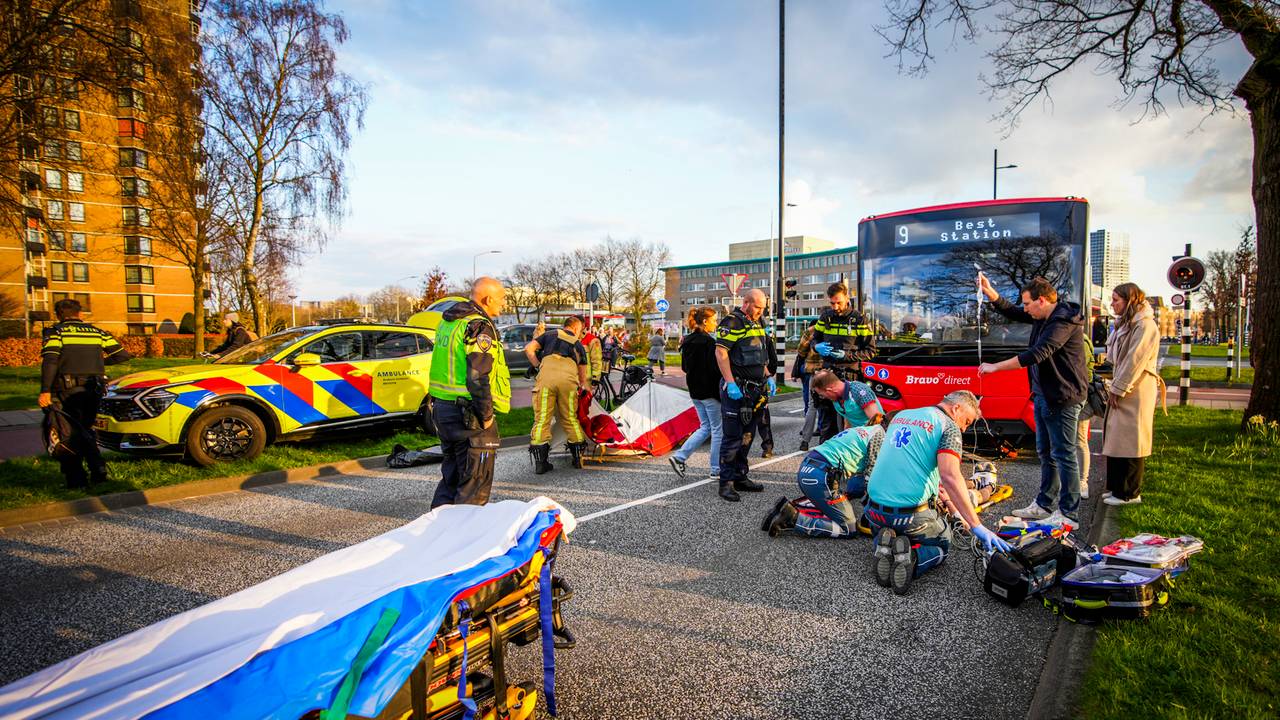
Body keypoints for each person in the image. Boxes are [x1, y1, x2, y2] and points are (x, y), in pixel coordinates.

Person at [865, 391, 1012, 594]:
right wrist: (976, 526)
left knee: (894, 529)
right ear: (956, 408)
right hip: (909, 516)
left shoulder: (902, 416)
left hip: (873, 511)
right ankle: (913, 559)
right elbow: (950, 476)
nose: (964, 428)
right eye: (967, 422)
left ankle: (883, 547)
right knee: (943, 542)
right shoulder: (948, 426)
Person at [977, 274, 1088, 524]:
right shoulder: (1042, 316)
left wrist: (995, 367)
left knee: (1064, 454)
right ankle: (1044, 505)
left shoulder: (1062, 321)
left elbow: (1037, 354)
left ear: (1041, 300)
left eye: (1027, 303)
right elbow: (1013, 312)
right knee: (1046, 453)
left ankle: (1068, 514)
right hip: (1043, 395)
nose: (1025, 309)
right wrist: (990, 293)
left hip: (1063, 397)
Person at [427, 277, 510, 508]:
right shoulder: (478, 326)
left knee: (451, 480)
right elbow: (477, 376)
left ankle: (437, 527)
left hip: (444, 409)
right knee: (474, 486)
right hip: (469, 415)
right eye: (502, 298)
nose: (504, 304)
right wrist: (486, 416)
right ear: (488, 299)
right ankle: (465, 530)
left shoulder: (450, 321)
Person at [37, 298, 132, 488]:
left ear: (58, 314)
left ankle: (76, 480)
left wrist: (45, 390)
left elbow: (50, 361)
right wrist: (99, 363)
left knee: (67, 433)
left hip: (66, 390)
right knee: (86, 430)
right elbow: (122, 355)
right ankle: (98, 470)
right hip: (93, 389)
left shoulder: (57, 332)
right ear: (79, 313)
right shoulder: (96, 332)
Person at [763, 424, 885, 538]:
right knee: (849, 528)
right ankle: (793, 519)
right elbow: (871, 479)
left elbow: (855, 486)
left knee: (839, 498)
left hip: (808, 469)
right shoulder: (880, 437)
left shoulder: (866, 430)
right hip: (821, 476)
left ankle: (786, 509)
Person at [1102, 283, 1162, 506]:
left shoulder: (1145, 325)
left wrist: (1118, 388)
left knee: (1132, 439)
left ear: (1129, 300)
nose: (1112, 304)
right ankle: (1117, 487)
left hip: (1136, 388)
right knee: (1117, 437)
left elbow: (1134, 360)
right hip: (1127, 386)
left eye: (1116, 300)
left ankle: (1129, 493)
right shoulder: (1128, 324)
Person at [715, 288, 774, 502]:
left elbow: (760, 354)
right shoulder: (732, 322)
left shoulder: (757, 322)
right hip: (737, 388)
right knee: (733, 437)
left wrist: (768, 376)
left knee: (748, 436)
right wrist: (730, 383)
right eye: (758, 307)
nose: (761, 312)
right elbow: (721, 353)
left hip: (755, 389)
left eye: (763, 308)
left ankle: (740, 476)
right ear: (746, 303)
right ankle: (726, 483)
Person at [809, 282, 877, 442]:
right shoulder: (825, 317)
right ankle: (827, 454)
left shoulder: (859, 319)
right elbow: (814, 339)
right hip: (828, 375)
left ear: (847, 297)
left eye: (838, 302)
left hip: (850, 378)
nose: (835, 307)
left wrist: (846, 355)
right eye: (832, 303)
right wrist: (816, 347)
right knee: (827, 423)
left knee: (852, 423)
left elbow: (870, 351)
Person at [525, 315, 590, 473]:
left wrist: (538, 365)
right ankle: (577, 458)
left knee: (542, 419)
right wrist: (583, 386)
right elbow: (583, 376)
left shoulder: (549, 334)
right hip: (568, 383)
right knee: (570, 418)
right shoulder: (578, 344)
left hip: (546, 381)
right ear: (576, 328)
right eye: (580, 330)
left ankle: (541, 463)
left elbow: (528, 349)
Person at [669, 307, 722, 480]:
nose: (716, 323)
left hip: (695, 390)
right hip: (710, 391)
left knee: (705, 427)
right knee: (717, 430)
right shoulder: (709, 342)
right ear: (705, 321)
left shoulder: (687, 341)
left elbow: (685, 367)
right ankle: (716, 469)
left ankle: (680, 456)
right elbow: (715, 370)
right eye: (714, 320)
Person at [810, 369, 884, 428]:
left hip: (876, 434)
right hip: (857, 433)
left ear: (829, 390)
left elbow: (877, 420)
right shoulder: (836, 398)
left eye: (822, 395)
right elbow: (848, 416)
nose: (823, 398)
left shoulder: (859, 391)